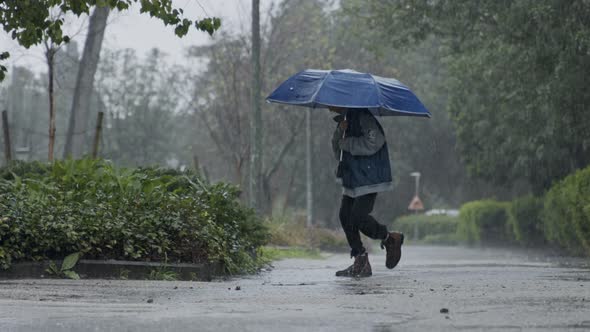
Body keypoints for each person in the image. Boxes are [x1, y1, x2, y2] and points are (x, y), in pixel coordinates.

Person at [329, 106, 404, 278]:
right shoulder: (345, 119)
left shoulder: (363, 116)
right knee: (345, 216)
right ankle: (360, 259)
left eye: (331, 103)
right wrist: (339, 132)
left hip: (368, 177)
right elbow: (337, 150)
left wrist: (346, 143)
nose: (328, 107)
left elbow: (375, 141)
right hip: (352, 176)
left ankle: (390, 238)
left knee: (357, 217)